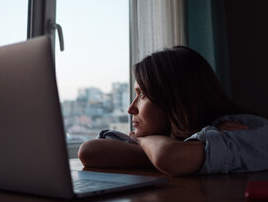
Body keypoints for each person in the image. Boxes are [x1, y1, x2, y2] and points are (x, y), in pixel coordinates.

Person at [78, 46, 268, 176]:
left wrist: (146, 143)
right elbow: (89, 151)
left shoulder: (245, 128)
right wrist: (171, 156)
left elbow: (170, 156)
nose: (131, 109)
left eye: (143, 94)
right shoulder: (161, 137)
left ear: (177, 98)